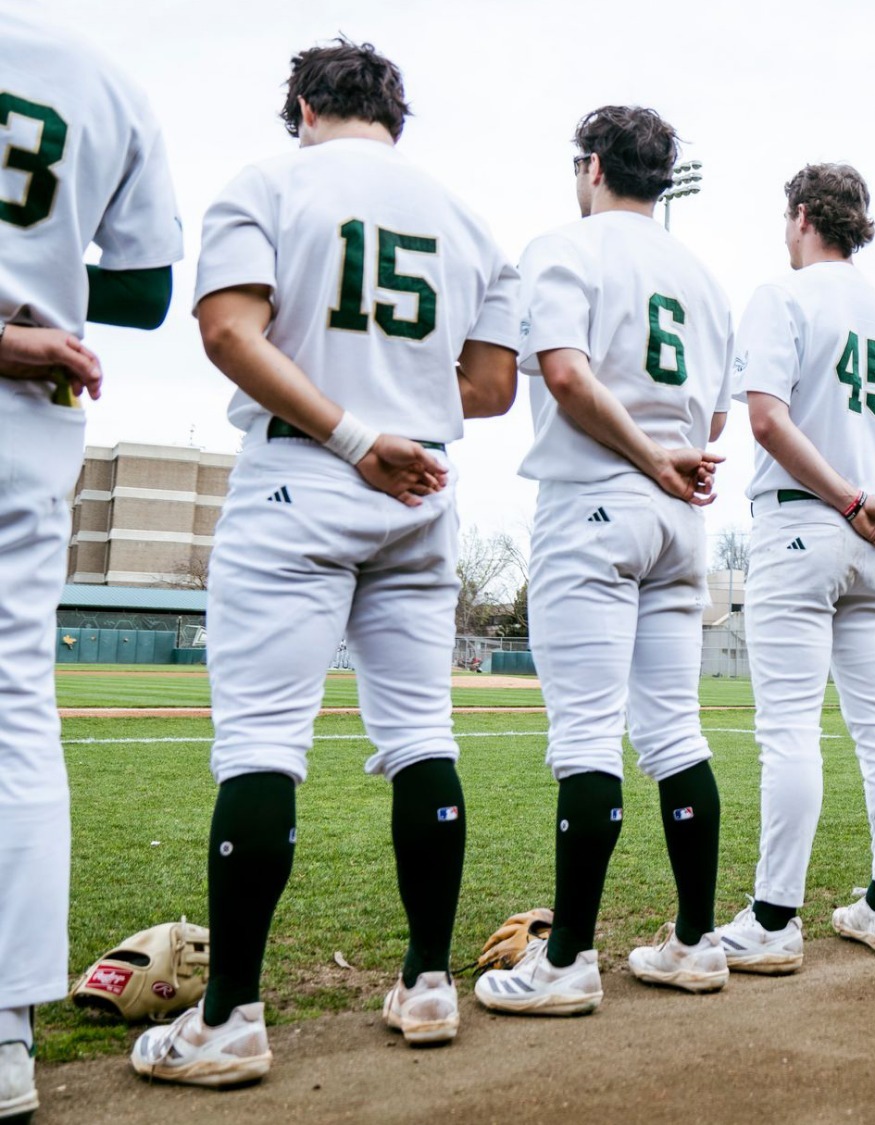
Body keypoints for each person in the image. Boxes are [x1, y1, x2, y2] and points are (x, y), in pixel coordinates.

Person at [133, 39, 521, 1085]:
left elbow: (225, 330)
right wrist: (396, 395)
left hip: (309, 469)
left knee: (261, 741)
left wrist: (352, 429)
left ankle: (230, 1019)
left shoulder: (267, 179)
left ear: (301, 105)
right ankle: (430, 982)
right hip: (425, 485)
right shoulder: (467, 215)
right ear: (396, 114)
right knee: (421, 731)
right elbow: (488, 389)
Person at [471, 107, 733, 1017]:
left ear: (591, 166)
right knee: (675, 731)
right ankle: (697, 942)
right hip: (678, 512)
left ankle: (570, 959)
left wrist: (643, 454)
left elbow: (569, 376)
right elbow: (718, 417)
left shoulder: (565, 246)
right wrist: (669, 454)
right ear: (662, 178)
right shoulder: (701, 274)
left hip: (594, 500)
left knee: (586, 736)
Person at [1, 6, 182, 1111]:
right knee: (16, 708)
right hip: (29, 419)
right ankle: (3, 1040)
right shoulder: (103, 81)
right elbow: (148, 288)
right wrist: (47, 298)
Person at [714, 162, 875, 968]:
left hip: (808, 520)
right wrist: (859, 499)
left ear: (802, 215)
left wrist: (839, 499)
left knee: (789, 729)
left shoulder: (784, 295)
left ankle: (773, 919)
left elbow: (766, 421)